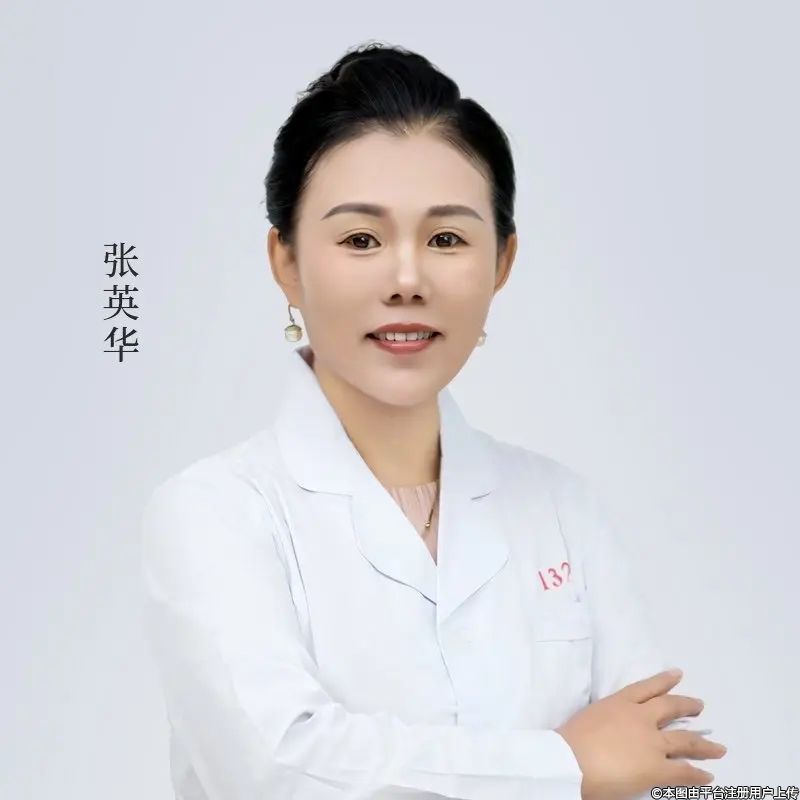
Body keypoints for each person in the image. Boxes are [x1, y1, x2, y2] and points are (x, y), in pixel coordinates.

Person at [140, 41, 726, 800]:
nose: (407, 279)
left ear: (502, 263)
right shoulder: (213, 513)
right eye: (360, 239)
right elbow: (278, 769)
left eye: (447, 239)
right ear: (286, 261)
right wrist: (565, 766)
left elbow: (654, 765)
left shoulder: (562, 508)